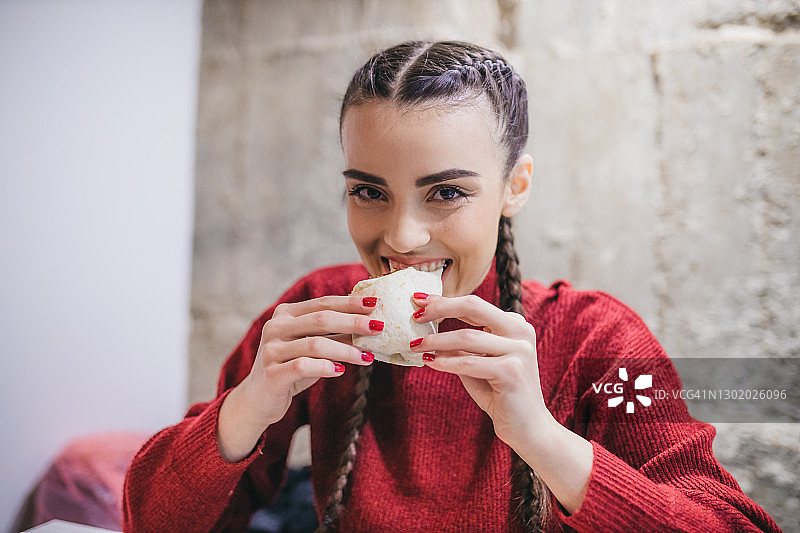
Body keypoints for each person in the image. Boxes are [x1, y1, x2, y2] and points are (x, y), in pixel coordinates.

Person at [122, 40, 781, 532]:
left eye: (447, 192)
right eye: (369, 191)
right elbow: (147, 519)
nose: (402, 236)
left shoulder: (597, 339)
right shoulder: (313, 315)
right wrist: (246, 407)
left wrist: (539, 434)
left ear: (513, 187)